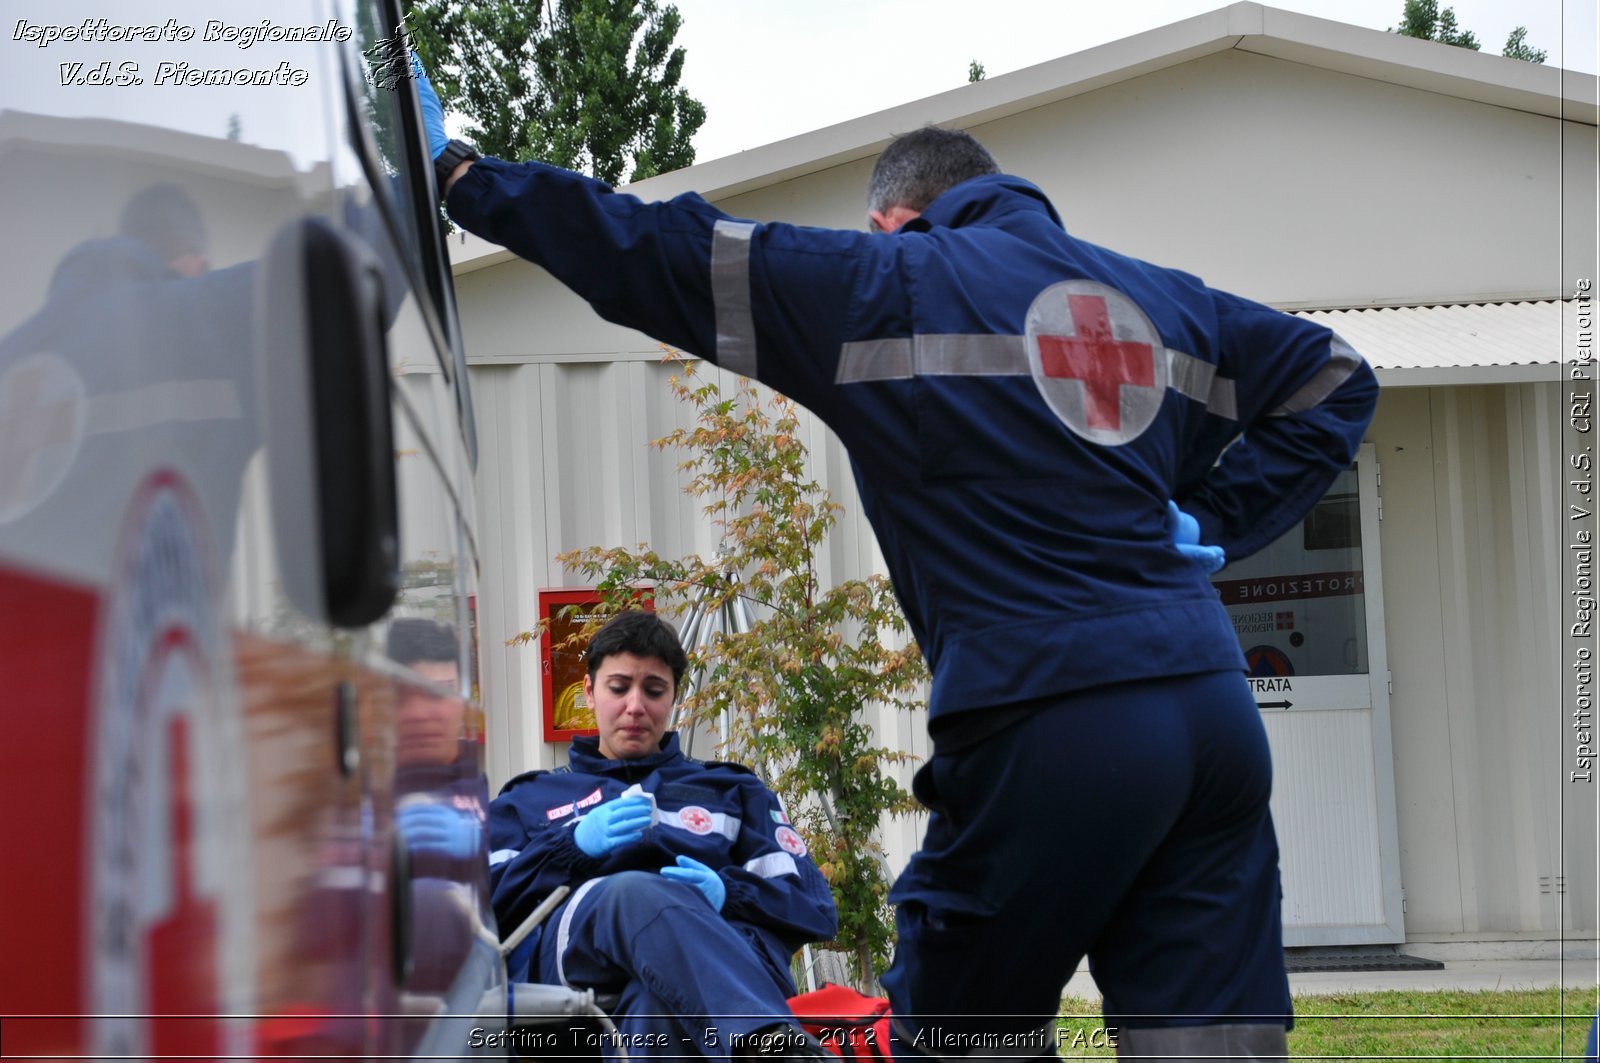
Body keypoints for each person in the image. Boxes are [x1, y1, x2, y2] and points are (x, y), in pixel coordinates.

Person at [418, 61, 1377, 1060]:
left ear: (890, 221)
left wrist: (457, 172)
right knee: (1210, 1042)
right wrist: (1213, 513)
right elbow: (1337, 379)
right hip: (1213, 720)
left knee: (960, 1029)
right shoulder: (1160, 299)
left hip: (1052, 714)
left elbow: (652, 248)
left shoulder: (886, 286)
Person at [487, 610, 838, 1059]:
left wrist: (729, 894)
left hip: (690, 991)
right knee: (632, 892)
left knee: (656, 1005)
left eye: (653, 690)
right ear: (590, 693)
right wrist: (567, 847)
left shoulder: (733, 790)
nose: (636, 706)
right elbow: (476, 911)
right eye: (619, 688)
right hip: (570, 979)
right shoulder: (529, 797)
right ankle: (773, 1048)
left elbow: (815, 909)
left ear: (673, 697)